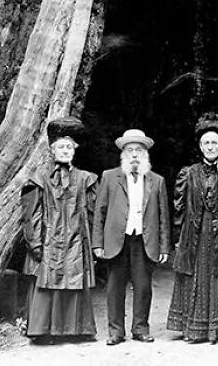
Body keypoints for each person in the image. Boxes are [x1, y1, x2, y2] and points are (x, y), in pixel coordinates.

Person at [167, 113, 218, 344]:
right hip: (195, 233)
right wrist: (177, 238)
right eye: (206, 143)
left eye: (214, 142)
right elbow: (179, 209)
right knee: (196, 275)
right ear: (200, 146)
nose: (210, 146)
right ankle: (194, 329)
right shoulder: (188, 173)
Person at [21, 116, 99, 343]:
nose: (65, 151)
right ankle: (44, 331)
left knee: (74, 280)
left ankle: (75, 330)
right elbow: (31, 214)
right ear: (53, 151)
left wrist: (94, 244)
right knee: (47, 280)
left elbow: (94, 214)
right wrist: (35, 243)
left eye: (69, 147)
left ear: (75, 150)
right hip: (48, 240)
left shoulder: (86, 179)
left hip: (76, 241)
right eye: (60, 147)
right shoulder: (40, 178)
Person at [92, 129, 170, 345]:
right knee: (114, 287)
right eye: (130, 150)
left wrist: (164, 247)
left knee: (143, 286)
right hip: (117, 239)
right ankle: (116, 331)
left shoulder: (157, 181)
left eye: (139, 150)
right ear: (123, 154)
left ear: (145, 154)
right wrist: (97, 243)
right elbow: (100, 211)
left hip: (144, 240)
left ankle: (140, 328)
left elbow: (164, 216)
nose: (134, 154)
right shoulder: (109, 177)